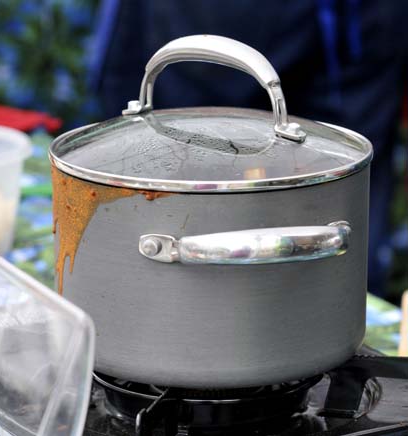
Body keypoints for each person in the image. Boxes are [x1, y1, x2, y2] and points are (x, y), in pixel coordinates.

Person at [89, 0, 408, 297]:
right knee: (167, 183)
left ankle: (334, 325)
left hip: (356, 22)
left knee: (341, 202)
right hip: (198, 15)